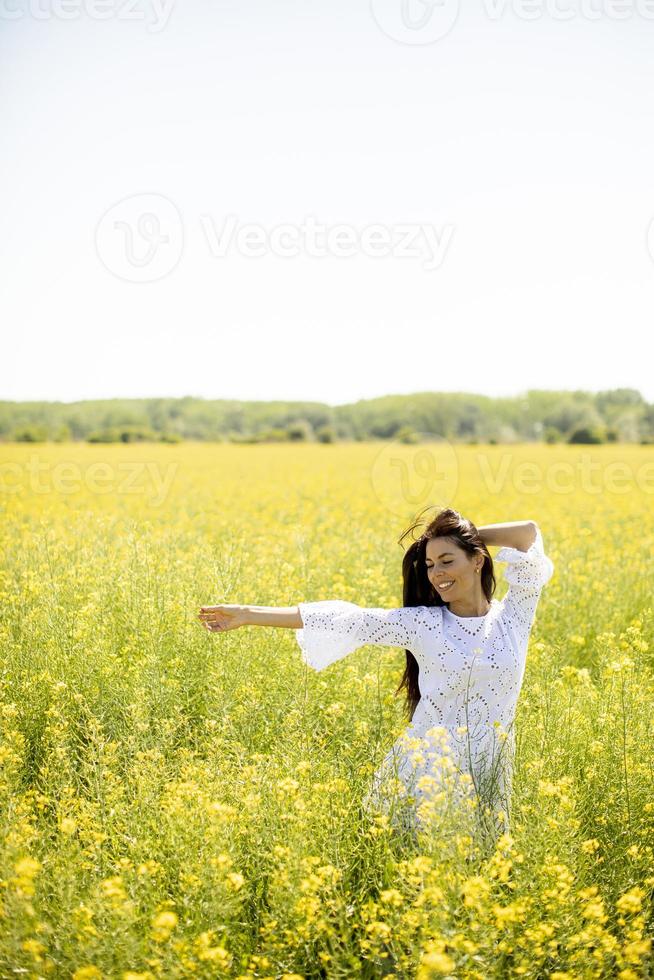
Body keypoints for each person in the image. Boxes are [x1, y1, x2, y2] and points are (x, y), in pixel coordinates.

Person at [198, 507, 554, 851]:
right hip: (429, 768)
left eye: (447, 561)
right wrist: (247, 614)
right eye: (429, 565)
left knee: (483, 869)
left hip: (491, 769)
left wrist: (468, 535)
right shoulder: (424, 625)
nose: (436, 574)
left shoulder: (514, 617)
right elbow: (346, 619)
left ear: (478, 560)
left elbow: (526, 533)